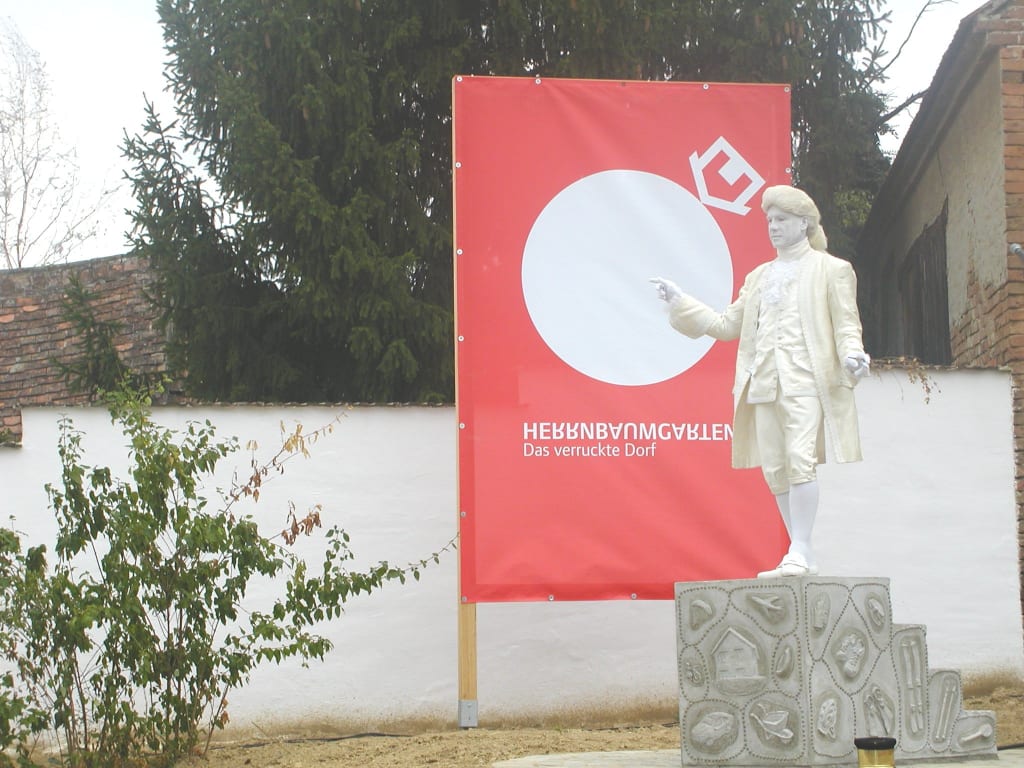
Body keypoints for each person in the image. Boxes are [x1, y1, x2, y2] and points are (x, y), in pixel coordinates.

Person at [650, 185, 870, 578]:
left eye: (782, 219)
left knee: (801, 460)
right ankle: (800, 549)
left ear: (804, 223)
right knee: (775, 467)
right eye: (770, 220)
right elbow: (726, 325)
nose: (774, 227)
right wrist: (681, 302)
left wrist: (853, 354)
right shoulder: (758, 277)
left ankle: (799, 548)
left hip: (805, 380)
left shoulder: (831, 269)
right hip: (763, 382)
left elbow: (846, 324)